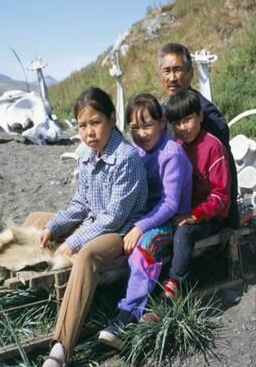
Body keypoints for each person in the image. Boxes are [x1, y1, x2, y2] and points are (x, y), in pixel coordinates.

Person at [26, 87, 148, 367]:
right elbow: (81, 202)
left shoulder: (127, 157)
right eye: (82, 125)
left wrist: (74, 241)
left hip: (120, 233)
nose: (89, 132)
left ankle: (60, 351)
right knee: (36, 221)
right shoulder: (86, 155)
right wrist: (54, 227)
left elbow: (113, 218)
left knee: (86, 255)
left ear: (112, 118)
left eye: (95, 122)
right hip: (96, 222)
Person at [97, 93, 193, 349]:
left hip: (168, 221)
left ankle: (128, 314)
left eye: (147, 125)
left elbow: (170, 203)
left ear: (162, 122)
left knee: (144, 248)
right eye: (135, 128)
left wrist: (140, 227)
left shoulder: (171, 153)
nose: (141, 133)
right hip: (144, 215)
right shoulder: (137, 152)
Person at [158, 42, 239, 229]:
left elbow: (226, 170)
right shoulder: (162, 113)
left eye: (177, 70)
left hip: (204, 211)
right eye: (166, 71)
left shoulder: (207, 115)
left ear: (190, 73)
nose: (172, 78)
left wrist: (230, 219)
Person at [162, 88, 231, 298]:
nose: (182, 128)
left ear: (200, 115)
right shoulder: (177, 146)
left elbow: (221, 196)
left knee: (184, 232)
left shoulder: (213, 147)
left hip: (209, 217)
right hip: (184, 211)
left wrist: (194, 216)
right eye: (177, 123)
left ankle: (174, 283)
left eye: (188, 119)